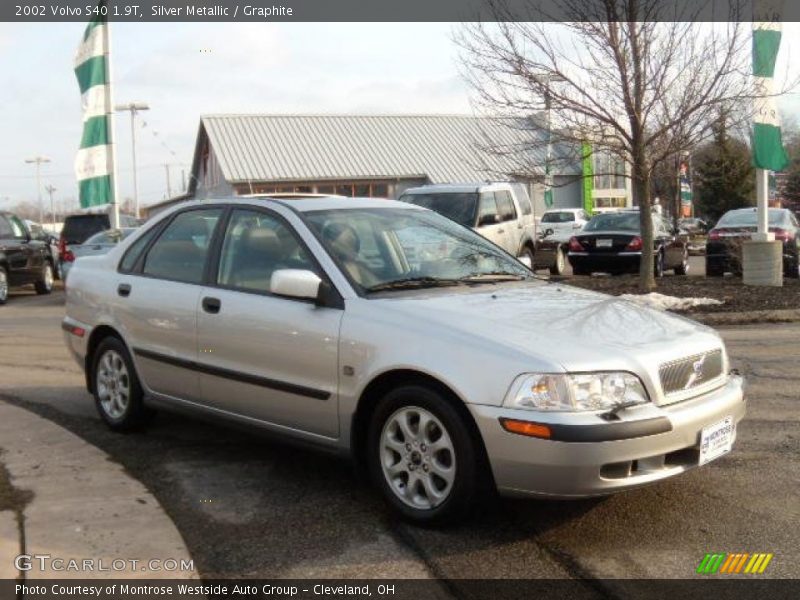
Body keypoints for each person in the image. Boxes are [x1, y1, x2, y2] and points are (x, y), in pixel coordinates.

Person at [321, 222, 379, 287]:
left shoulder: (361, 267)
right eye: (349, 242)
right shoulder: (326, 271)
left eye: (355, 242)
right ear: (330, 243)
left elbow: (378, 286)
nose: (353, 247)